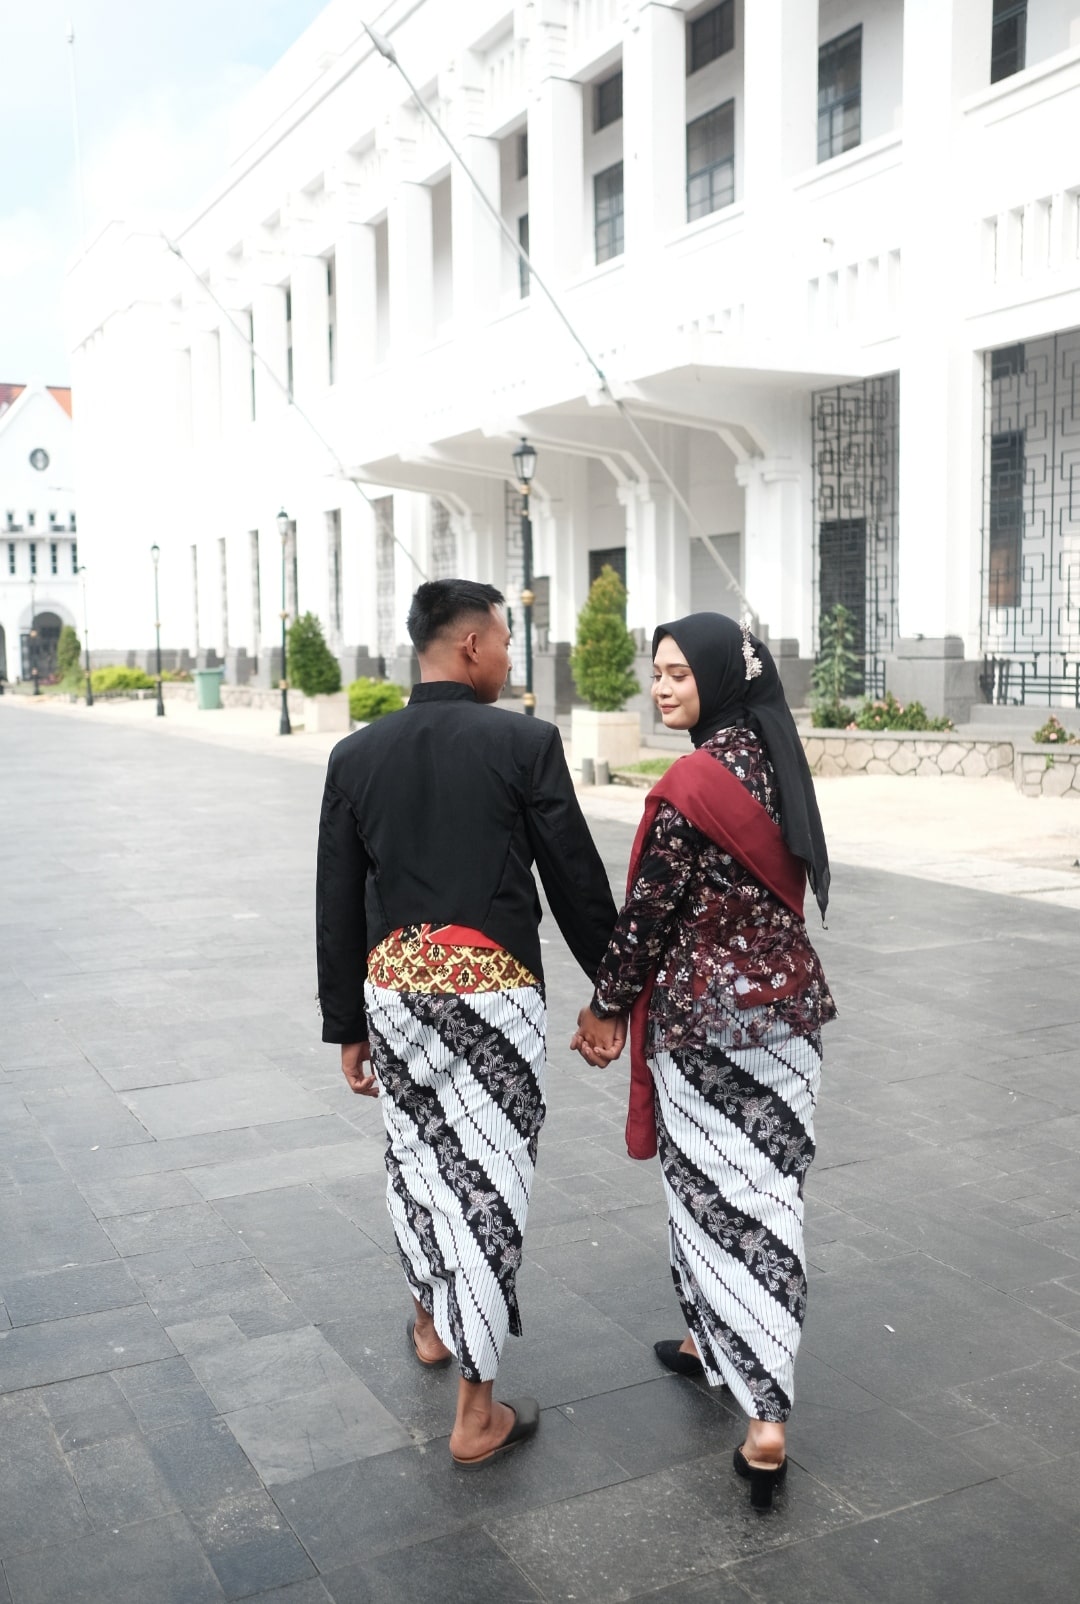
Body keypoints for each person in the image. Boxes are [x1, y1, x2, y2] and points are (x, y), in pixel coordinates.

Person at [316, 578, 619, 1469]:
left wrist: (347, 1023)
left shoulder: (356, 755)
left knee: (417, 1161)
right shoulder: (522, 742)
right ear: (472, 646)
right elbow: (574, 877)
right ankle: (476, 1413)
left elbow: (338, 900)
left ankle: (428, 1321)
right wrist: (614, 993)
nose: (509, 658)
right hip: (493, 994)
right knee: (487, 1180)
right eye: (505, 640)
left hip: (395, 993)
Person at [572, 613, 835, 1511]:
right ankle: (705, 1340)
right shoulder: (777, 760)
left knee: (714, 1194)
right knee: (766, 1191)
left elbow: (647, 915)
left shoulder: (693, 780)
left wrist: (606, 1008)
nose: (661, 687)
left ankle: (765, 1417)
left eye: (679, 673)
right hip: (790, 1020)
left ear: (719, 677)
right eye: (657, 672)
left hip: (703, 1026)